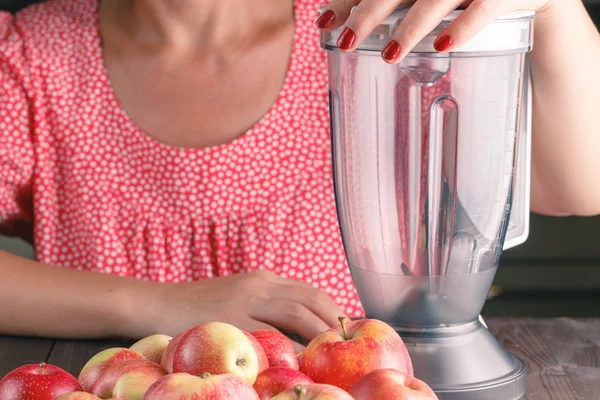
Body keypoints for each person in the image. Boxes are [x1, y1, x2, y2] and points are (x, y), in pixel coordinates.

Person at [0, 0, 598, 346]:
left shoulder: (369, 30)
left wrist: (552, 8)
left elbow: (577, 185)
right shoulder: (32, 56)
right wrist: (153, 306)